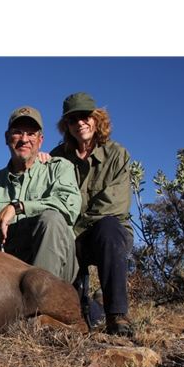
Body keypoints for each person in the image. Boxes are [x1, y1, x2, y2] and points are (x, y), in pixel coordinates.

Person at [49, 92, 134, 336]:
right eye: (72, 119)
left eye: (85, 116)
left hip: (104, 234)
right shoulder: (57, 157)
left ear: (97, 119)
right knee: (79, 312)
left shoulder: (117, 154)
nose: (80, 123)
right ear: (66, 125)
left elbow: (114, 205)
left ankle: (117, 315)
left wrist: (72, 232)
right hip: (71, 236)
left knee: (109, 228)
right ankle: (90, 307)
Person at [0, 105, 82, 284]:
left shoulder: (59, 168)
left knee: (51, 219)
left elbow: (69, 208)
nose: (24, 139)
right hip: (9, 271)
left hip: (59, 268)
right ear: (7, 138)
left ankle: (41, 297)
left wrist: (18, 207)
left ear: (40, 140)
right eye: (17, 132)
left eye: (31, 134)